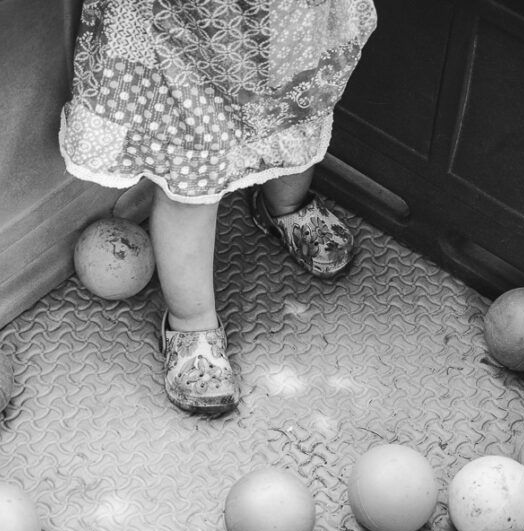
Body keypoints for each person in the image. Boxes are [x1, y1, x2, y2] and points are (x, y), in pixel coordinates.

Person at [59, 1, 377, 414]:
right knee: (191, 166)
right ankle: (191, 320)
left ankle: (284, 206)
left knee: (295, 110)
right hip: (188, 32)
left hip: (288, 17)